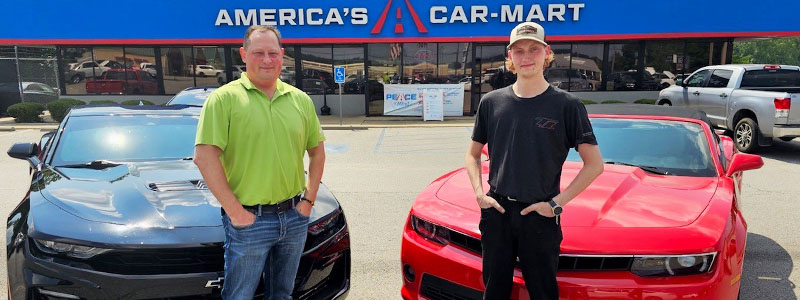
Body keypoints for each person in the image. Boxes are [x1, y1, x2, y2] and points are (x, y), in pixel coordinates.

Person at [464, 22, 604, 300]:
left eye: (533, 49)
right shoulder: (491, 103)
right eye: (519, 51)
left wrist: (556, 205)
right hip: (498, 212)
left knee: (543, 292)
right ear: (510, 57)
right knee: (494, 292)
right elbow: (472, 154)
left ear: (546, 53)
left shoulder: (567, 105)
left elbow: (595, 165)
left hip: (540, 215)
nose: (526, 56)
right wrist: (480, 195)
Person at [194, 25, 326, 300]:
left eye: (272, 53)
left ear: (282, 55)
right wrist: (236, 212)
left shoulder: (299, 100)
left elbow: (317, 152)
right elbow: (205, 158)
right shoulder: (224, 99)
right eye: (258, 53)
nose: (266, 60)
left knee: (282, 294)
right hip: (249, 220)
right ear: (243, 54)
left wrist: (308, 202)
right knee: (239, 296)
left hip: (293, 216)